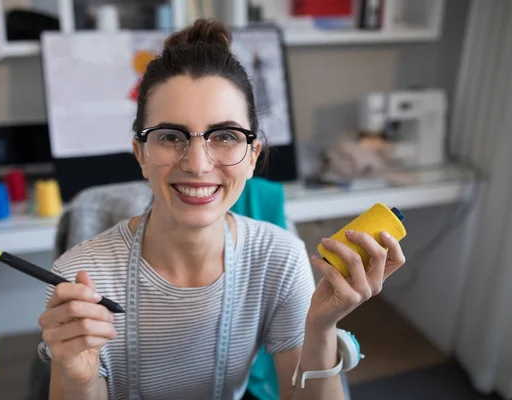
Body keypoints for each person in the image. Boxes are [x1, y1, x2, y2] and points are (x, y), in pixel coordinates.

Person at [36, 18, 407, 400]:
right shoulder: (79, 280)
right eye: (169, 136)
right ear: (141, 155)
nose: (197, 164)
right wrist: (79, 381)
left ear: (252, 156)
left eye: (226, 136)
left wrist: (321, 327)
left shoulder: (279, 259)